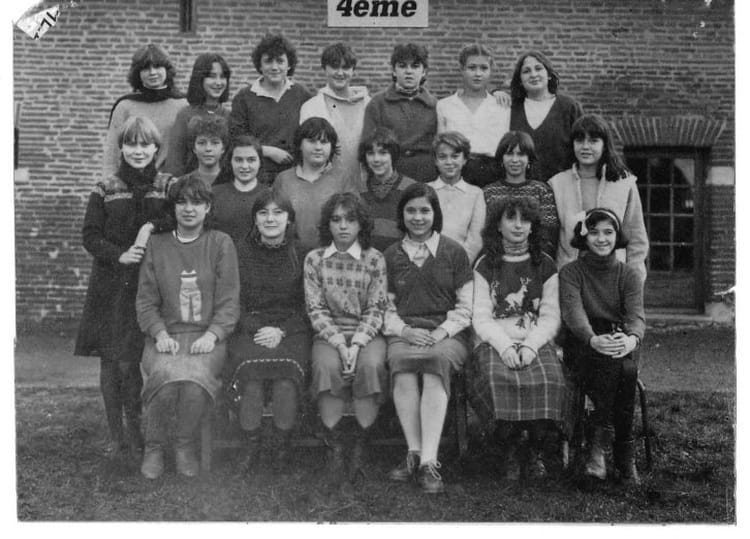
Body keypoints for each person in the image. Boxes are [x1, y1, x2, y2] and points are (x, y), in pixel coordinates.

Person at [75, 116, 173, 459]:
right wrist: (119, 255)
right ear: (121, 148)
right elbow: (90, 236)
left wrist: (149, 226)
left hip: (151, 284)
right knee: (112, 362)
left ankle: (138, 430)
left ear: (156, 148)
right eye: (131, 144)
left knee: (132, 363)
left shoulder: (168, 185)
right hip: (112, 285)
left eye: (145, 144)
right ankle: (117, 437)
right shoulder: (105, 188)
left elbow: (178, 217)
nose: (138, 151)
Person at [136, 176, 240, 479]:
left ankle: (184, 444)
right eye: (182, 202)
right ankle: (154, 446)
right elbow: (145, 301)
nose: (189, 209)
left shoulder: (220, 243)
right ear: (173, 208)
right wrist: (159, 333)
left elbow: (229, 301)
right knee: (165, 378)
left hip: (206, 337)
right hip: (165, 336)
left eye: (197, 202)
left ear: (208, 208)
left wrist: (213, 334)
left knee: (194, 382)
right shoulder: (157, 245)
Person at [467, 197, 572, 481]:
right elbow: (481, 317)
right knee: (497, 379)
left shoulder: (545, 265)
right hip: (495, 341)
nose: (517, 225)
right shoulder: (484, 265)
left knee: (550, 379)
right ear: (497, 225)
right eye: (510, 218)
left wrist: (530, 345)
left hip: (534, 339)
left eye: (524, 220)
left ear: (533, 227)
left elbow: (550, 316)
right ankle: (509, 447)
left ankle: (536, 448)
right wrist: (504, 347)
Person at [383, 183, 473, 494]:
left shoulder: (454, 252)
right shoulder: (390, 255)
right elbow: (383, 307)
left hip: (447, 332)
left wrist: (439, 333)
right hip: (405, 331)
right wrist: (405, 331)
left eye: (425, 210)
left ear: (435, 214)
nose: (418, 217)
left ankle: (429, 462)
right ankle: (413, 452)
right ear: (402, 215)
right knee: (402, 365)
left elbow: (466, 308)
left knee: (434, 363)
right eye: (411, 211)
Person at [304, 193, 388, 483]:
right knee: (326, 366)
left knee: (370, 365)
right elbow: (315, 309)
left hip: (367, 333)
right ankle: (335, 446)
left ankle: (360, 447)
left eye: (350, 220)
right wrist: (340, 344)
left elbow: (377, 308)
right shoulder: (314, 259)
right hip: (329, 333)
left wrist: (357, 343)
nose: (343, 226)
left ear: (361, 224)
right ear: (327, 224)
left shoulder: (374, 259)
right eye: (336, 219)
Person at [559, 208, 646, 485]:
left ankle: (606, 450)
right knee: (622, 370)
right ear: (584, 237)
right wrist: (592, 339)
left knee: (624, 368)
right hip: (582, 343)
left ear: (617, 236)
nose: (601, 239)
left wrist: (631, 339)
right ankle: (617, 452)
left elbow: (636, 317)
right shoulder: (571, 272)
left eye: (608, 232)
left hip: (617, 340)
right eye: (594, 232)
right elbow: (573, 313)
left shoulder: (628, 274)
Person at [226, 190, 311, 472]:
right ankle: (250, 445)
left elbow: (309, 305)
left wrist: (281, 331)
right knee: (251, 378)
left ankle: (281, 447)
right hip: (249, 327)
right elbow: (231, 300)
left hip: (292, 329)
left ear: (289, 219)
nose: (270, 219)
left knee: (286, 379)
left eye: (278, 213)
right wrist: (257, 328)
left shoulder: (303, 253)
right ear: (255, 219)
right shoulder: (239, 252)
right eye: (263, 213)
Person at [548, 114, 648, 283]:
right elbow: (551, 239)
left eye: (593, 141)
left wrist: (633, 283)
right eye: (580, 140)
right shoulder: (557, 184)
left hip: (613, 281)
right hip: (570, 281)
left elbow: (636, 238)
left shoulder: (624, 183)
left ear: (604, 145)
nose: (585, 146)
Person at [229, 33, 313, 185]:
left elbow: (311, 134)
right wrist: (267, 151)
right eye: (268, 61)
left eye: (280, 61)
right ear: (260, 65)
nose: (274, 67)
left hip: (295, 175)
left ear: (289, 65)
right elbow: (236, 139)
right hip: (257, 175)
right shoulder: (244, 97)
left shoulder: (301, 95)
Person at [273, 118, 359, 252]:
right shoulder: (284, 179)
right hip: (291, 255)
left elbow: (354, 221)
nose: (318, 147)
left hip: (333, 256)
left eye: (324, 142)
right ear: (299, 145)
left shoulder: (343, 178)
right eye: (312, 141)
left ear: (332, 147)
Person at [102, 44, 186, 177]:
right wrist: (110, 183)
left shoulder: (183, 105)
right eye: (146, 68)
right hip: (131, 181)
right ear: (138, 73)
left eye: (157, 67)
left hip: (171, 181)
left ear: (167, 69)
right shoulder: (125, 106)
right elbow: (112, 154)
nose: (152, 73)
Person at [436, 44, 510, 188]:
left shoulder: (502, 105)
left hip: (493, 173)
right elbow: (441, 147)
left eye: (484, 68)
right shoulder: (445, 105)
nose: (478, 74)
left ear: (491, 71)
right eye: (472, 68)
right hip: (457, 172)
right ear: (462, 69)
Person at [362, 43, 438, 183]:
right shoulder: (378, 104)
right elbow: (367, 146)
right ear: (394, 71)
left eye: (415, 66)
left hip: (427, 174)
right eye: (402, 66)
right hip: (390, 174)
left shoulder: (435, 106)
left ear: (424, 72)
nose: (408, 71)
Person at [300, 43, 370, 189]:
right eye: (334, 67)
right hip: (326, 185)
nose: (340, 73)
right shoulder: (311, 107)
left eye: (346, 67)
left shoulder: (369, 104)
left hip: (364, 184)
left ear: (353, 70)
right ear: (325, 68)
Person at [509, 50, 583, 183]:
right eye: (526, 71)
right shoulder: (510, 109)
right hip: (520, 189)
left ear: (549, 74)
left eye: (538, 68)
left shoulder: (569, 107)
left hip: (561, 188)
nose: (533, 75)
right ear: (519, 80)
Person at [484, 131, 559, 258]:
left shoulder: (542, 191)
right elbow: (487, 232)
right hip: (497, 259)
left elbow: (548, 233)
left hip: (534, 259)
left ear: (529, 159)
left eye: (521, 154)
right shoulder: (488, 192)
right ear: (501, 158)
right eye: (509, 154)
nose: (515, 160)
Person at [164, 53, 232, 177]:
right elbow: (175, 161)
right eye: (212, 76)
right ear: (200, 79)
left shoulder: (229, 116)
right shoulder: (185, 115)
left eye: (222, 77)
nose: (218, 82)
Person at [427, 131, 486, 264]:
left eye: (455, 156)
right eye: (442, 157)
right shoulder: (425, 190)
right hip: (427, 264)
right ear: (435, 161)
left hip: (460, 265)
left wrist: (458, 265)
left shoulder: (476, 194)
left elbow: (476, 239)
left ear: (464, 159)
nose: (449, 162)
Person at [358, 127, 416, 252]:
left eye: (383, 153)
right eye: (371, 153)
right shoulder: (359, 191)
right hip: (367, 258)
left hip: (401, 258)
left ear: (393, 155)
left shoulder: (411, 189)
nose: (376, 159)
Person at [211, 135, 270, 245]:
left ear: (260, 162)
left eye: (251, 160)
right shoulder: (214, 194)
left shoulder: (270, 196)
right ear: (230, 162)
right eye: (238, 160)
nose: (245, 166)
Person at [177, 115, 229, 189]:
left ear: (223, 148)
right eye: (202, 143)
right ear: (194, 148)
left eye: (215, 143)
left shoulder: (233, 181)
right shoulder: (183, 183)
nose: (208, 148)